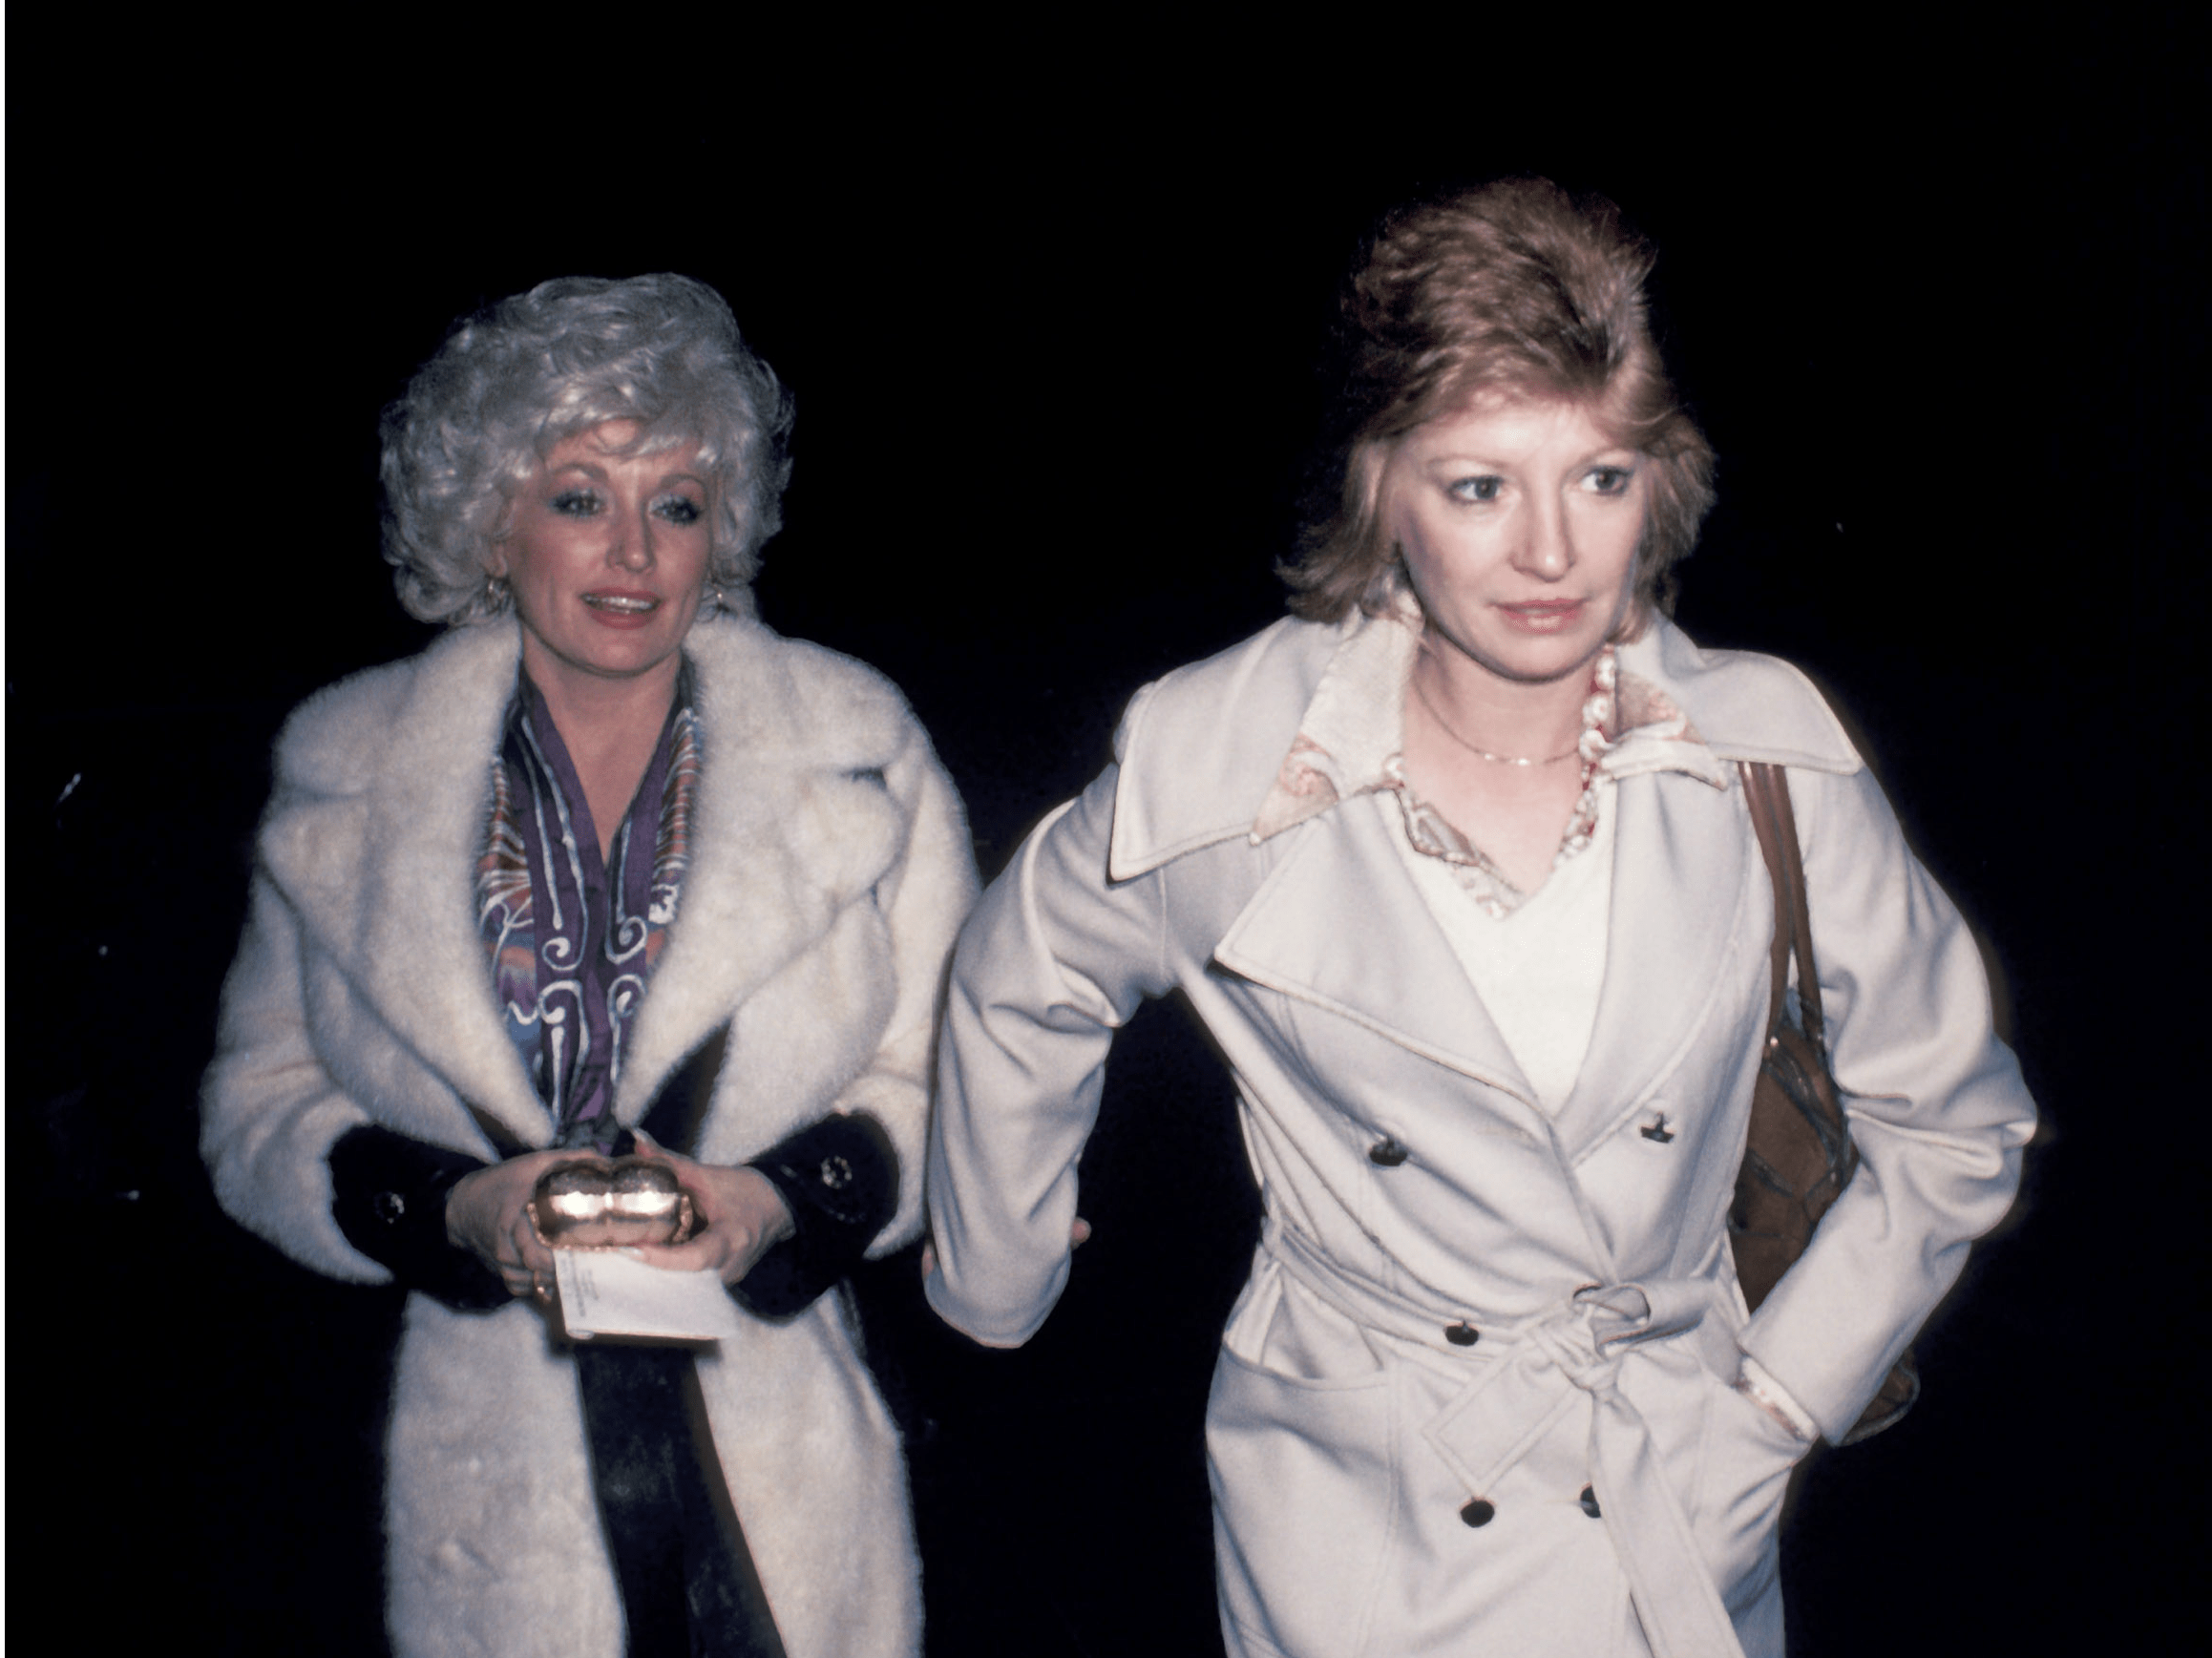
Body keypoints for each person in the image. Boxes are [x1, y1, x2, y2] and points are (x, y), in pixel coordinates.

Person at [920, 179, 2035, 1658]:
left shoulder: (1766, 766)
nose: (1553, 553)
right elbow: (1023, 975)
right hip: (1356, 1517)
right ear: (1377, 488)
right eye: (1479, 487)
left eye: (1600, 477)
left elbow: (1958, 1124)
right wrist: (997, 1268)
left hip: (1673, 1488)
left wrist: (1774, 1405)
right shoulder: (1228, 780)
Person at [201, 274, 977, 1658]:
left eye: (676, 504)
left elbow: (951, 1081)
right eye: (579, 497)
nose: (633, 551)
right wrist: (452, 1209)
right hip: (469, 1481)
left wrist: (774, 1203)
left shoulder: (859, 751)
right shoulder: (344, 772)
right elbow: (258, 1104)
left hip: (783, 1460)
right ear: (489, 523)